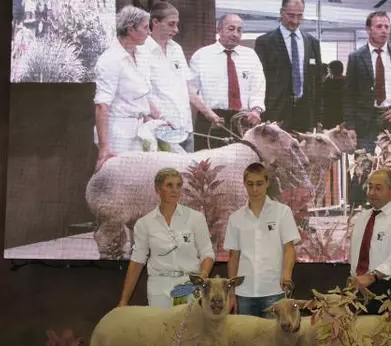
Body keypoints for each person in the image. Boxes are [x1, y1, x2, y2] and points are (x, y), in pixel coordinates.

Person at [343, 11, 391, 206]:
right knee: (363, 165)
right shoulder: (356, 57)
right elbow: (348, 95)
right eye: (379, 26)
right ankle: (357, 209)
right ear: (368, 29)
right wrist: (350, 126)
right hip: (365, 119)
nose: (384, 31)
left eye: (387, 27)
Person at [118, 167, 215, 309]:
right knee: (160, 330)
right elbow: (137, 261)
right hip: (158, 287)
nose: (175, 190)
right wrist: (124, 300)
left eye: (178, 185)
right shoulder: (144, 223)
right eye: (169, 185)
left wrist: (202, 276)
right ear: (158, 190)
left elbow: (207, 252)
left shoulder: (196, 218)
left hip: (189, 285)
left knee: (187, 330)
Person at [138, 1, 222, 153]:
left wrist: (209, 114)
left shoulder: (176, 49)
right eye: (171, 24)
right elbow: (143, 94)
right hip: (161, 131)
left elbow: (188, 88)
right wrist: (162, 120)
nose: (176, 30)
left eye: (177, 24)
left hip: (185, 128)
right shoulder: (141, 50)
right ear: (155, 22)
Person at [223, 163, 300, 316]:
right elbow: (233, 257)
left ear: (267, 183)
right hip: (244, 293)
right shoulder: (235, 218)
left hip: (274, 290)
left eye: (259, 184)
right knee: (246, 340)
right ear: (244, 184)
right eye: (250, 184)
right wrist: (231, 293)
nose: (255, 189)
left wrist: (287, 275)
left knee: (274, 340)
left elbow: (289, 249)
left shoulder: (282, 212)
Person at [94, 6, 161, 169]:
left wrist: (159, 118)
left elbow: (143, 93)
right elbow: (102, 105)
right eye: (145, 27)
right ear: (131, 29)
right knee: (120, 183)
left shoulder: (142, 55)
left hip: (141, 130)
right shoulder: (110, 60)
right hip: (118, 133)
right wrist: (104, 147)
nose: (149, 32)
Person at [189, 14, 266, 150]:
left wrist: (256, 110)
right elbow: (190, 90)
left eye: (239, 30)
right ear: (219, 29)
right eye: (231, 29)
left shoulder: (250, 56)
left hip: (242, 121)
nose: (235, 34)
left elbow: (259, 86)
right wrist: (207, 113)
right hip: (210, 119)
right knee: (207, 167)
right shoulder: (202, 55)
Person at [349, 169, 391, 315]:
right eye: (370, 187)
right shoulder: (363, 217)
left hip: (388, 288)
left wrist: (372, 276)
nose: (372, 192)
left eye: (378, 188)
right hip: (358, 289)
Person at [254, 0, 322, 132]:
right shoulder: (265, 42)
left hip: (305, 115)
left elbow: (317, 82)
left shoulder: (312, 42)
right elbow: (259, 81)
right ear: (281, 13)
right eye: (291, 15)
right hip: (275, 114)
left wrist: (318, 117)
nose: (295, 21)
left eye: (299, 16)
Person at [322, 60, 345, 129]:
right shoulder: (347, 82)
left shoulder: (327, 82)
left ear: (332, 71)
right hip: (342, 115)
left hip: (329, 115)